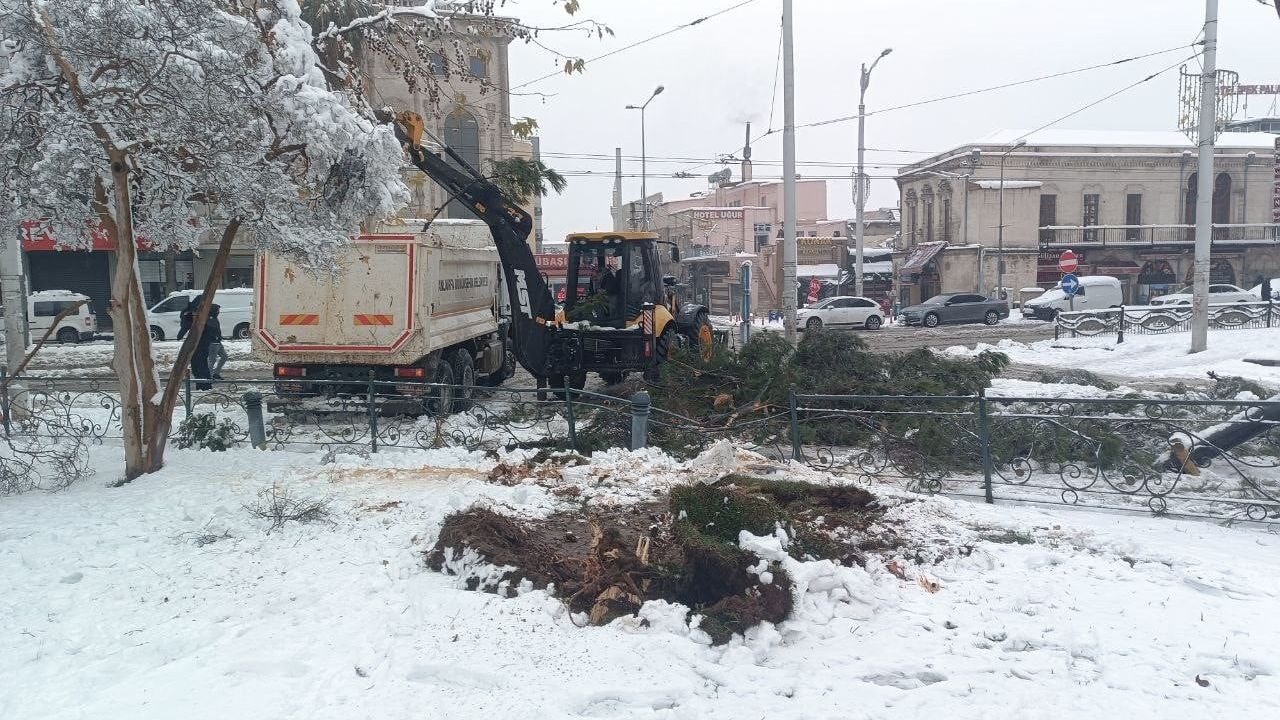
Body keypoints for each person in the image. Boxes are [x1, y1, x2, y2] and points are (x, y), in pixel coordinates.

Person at [191, 304, 220, 390]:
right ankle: (203, 385)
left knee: (200, 367)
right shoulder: (209, 319)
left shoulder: (208, 320)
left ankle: (204, 386)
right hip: (202, 346)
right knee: (200, 366)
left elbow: (209, 332)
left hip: (202, 346)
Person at [206, 305, 227, 380]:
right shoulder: (210, 319)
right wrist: (215, 337)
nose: (218, 312)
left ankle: (216, 373)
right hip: (213, 342)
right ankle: (209, 375)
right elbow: (211, 330)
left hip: (218, 341)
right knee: (212, 360)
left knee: (224, 356)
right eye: (217, 310)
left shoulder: (214, 318)